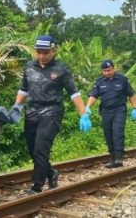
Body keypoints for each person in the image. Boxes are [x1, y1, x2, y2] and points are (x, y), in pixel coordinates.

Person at [9, 35, 92, 194]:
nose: (41, 55)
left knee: (41, 149)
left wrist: (83, 114)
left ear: (53, 51)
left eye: (45, 52)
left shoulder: (61, 69)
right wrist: (16, 107)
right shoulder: (29, 66)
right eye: (38, 52)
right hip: (32, 110)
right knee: (33, 149)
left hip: (52, 111)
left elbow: (73, 93)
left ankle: (36, 187)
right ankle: (51, 173)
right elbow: (23, 89)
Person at [85, 59, 136, 168]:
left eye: (109, 70)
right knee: (108, 133)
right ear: (102, 71)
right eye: (105, 71)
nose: (107, 72)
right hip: (105, 111)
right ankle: (112, 158)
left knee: (117, 131)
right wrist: (87, 108)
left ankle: (118, 158)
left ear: (114, 68)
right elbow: (93, 95)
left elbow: (131, 94)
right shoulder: (99, 82)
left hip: (119, 110)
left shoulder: (122, 80)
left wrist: (134, 108)